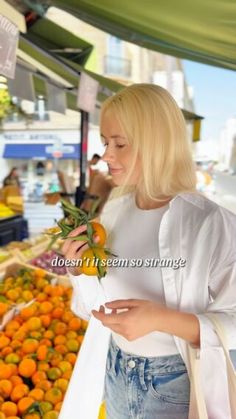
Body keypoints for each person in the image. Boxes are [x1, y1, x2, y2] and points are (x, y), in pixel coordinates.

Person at [59, 84, 236, 419]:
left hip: (173, 386)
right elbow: (91, 311)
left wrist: (161, 319)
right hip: (113, 372)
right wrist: (78, 271)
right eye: (105, 143)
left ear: (155, 143)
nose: (107, 155)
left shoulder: (210, 223)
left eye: (119, 143)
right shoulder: (113, 212)